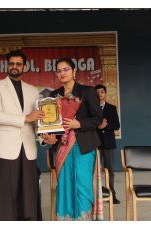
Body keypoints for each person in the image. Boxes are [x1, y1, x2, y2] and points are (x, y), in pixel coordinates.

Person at [0, 50, 45, 221]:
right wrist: (25, 118)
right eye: (11, 63)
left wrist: (43, 137)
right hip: (4, 148)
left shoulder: (33, 90)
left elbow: (36, 121)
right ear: (7, 65)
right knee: (3, 194)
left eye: (18, 64)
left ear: (24, 67)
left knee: (27, 193)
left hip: (27, 148)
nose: (14, 67)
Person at [48, 57, 103, 220]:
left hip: (83, 146)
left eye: (65, 69)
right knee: (65, 186)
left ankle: (84, 221)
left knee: (82, 185)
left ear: (74, 72)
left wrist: (79, 124)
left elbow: (98, 119)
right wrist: (47, 135)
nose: (62, 73)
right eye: (58, 70)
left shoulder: (87, 92)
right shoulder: (53, 95)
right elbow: (50, 124)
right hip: (61, 147)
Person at [95, 84, 121, 204]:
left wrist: (106, 125)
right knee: (95, 171)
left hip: (109, 144)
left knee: (110, 170)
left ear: (105, 94)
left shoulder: (111, 108)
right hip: (95, 143)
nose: (99, 94)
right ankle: (97, 195)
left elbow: (117, 125)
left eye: (101, 92)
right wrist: (98, 125)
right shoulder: (91, 108)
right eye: (97, 92)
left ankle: (112, 194)